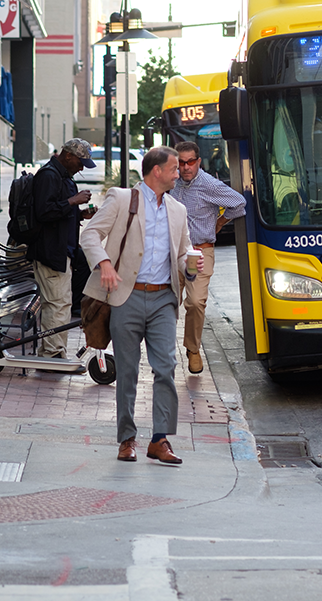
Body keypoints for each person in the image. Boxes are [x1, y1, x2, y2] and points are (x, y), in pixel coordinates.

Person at [80, 146, 203, 465]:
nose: (180, 173)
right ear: (156, 171)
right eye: (175, 168)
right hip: (126, 296)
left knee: (166, 367)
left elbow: (181, 253)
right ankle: (126, 439)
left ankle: (160, 440)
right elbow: (90, 235)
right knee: (129, 372)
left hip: (164, 297)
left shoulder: (178, 210)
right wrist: (104, 263)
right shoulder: (122, 199)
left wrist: (190, 266)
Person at [169, 141, 246, 374]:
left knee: (195, 302)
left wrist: (219, 222)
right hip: (171, 252)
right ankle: (164, 351)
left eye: (190, 162)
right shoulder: (170, 183)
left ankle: (192, 350)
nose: (185, 167)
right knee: (165, 303)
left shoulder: (209, 185)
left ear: (198, 162)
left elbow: (239, 203)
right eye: (181, 162)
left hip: (199, 252)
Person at [29, 139, 95, 360]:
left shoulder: (61, 175)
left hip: (59, 250)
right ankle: (52, 353)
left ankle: (53, 351)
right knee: (58, 303)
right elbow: (44, 212)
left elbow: (55, 211)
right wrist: (73, 201)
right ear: (68, 156)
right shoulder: (49, 175)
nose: (82, 168)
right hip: (51, 251)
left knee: (60, 302)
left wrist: (80, 212)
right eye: (80, 162)